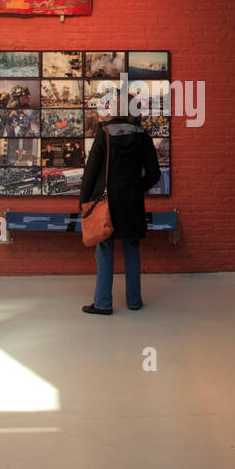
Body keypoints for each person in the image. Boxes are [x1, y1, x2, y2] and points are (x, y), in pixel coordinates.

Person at [78, 110, 161, 315]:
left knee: (104, 249)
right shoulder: (143, 136)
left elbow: (91, 172)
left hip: (105, 202)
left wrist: (84, 201)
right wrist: (136, 188)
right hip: (132, 202)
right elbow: (154, 174)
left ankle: (103, 303)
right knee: (131, 249)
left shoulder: (104, 134)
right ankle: (134, 301)